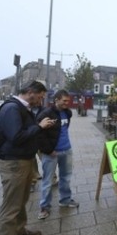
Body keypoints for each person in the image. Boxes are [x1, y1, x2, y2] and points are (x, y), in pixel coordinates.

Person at [0, 80, 55, 235]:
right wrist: (39, 127)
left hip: (24, 161)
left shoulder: (24, 108)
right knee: (11, 206)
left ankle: (19, 231)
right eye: (40, 96)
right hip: (14, 163)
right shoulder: (12, 109)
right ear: (30, 92)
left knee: (21, 200)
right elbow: (16, 137)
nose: (41, 100)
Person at [37, 90, 79, 220]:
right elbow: (39, 134)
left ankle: (65, 200)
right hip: (51, 153)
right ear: (56, 100)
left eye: (68, 101)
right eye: (64, 101)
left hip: (67, 150)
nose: (67, 103)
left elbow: (64, 130)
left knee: (66, 177)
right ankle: (44, 207)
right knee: (48, 180)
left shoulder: (68, 112)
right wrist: (49, 150)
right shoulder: (46, 114)